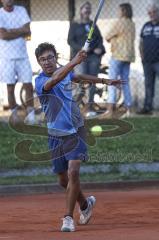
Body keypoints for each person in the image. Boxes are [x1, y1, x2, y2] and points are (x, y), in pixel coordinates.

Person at [34, 42, 121, 232]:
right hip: (55, 134)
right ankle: (84, 204)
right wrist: (74, 61)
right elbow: (55, 79)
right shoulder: (40, 82)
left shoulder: (65, 73)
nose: (47, 62)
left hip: (76, 129)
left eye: (50, 57)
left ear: (55, 57)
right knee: (63, 180)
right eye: (42, 59)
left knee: (73, 172)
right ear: (39, 63)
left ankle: (68, 218)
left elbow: (79, 76)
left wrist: (105, 81)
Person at [67, 1, 105, 116]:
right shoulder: (75, 25)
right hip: (80, 57)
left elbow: (99, 39)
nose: (87, 10)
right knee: (80, 81)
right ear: (81, 10)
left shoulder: (93, 25)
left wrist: (98, 48)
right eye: (85, 8)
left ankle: (89, 107)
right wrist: (81, 48)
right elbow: (70, 41)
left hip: (93, 57)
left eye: (89, 8)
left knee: (92, 80)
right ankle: (74, 109)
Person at [99, 3, 135, 119]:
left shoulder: (120, 22)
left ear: (123, 11)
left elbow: (107, 35)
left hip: (118, 55)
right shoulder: (131, 23)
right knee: (125, 82)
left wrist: (113, 38)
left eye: (119, 10)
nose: (118, 12)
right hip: (128, 57)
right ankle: (129, 109)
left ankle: (110, 110)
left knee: (111, 82)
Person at [0, 0, 34, 122]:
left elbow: (28, 31)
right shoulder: (0, 14)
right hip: (6, 57)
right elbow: (3, 36)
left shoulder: (21, 10)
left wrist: (10, 31)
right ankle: (14, 116)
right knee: (10, 87)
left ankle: (31, 116)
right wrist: (20, 31)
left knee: (28, 86)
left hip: (23, 56)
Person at [138, 3, 159, 114]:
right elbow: (141, 42)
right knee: (148, 85)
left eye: (154, 12)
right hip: (147, 62)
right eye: (150, 13)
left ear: (158, 12)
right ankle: (147, 107)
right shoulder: (145, 25)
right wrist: (142, 56)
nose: (152, 14)